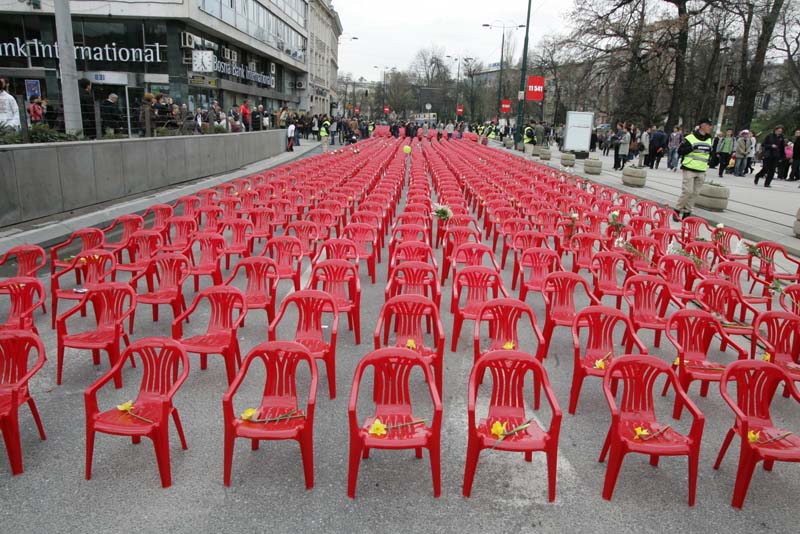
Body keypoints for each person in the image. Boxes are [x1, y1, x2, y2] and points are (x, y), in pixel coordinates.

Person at [674, 118, 714, 221]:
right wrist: (692, 148)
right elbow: (680, 151)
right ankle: (677, 210)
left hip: (701, 169)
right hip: (689, 168)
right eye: (709, 125)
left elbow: (709, 152)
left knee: (695, 193)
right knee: (687, 191)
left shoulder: (709, 139)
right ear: (702, 126)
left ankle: (687, 212)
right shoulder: (689, 138)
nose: (710, 127)